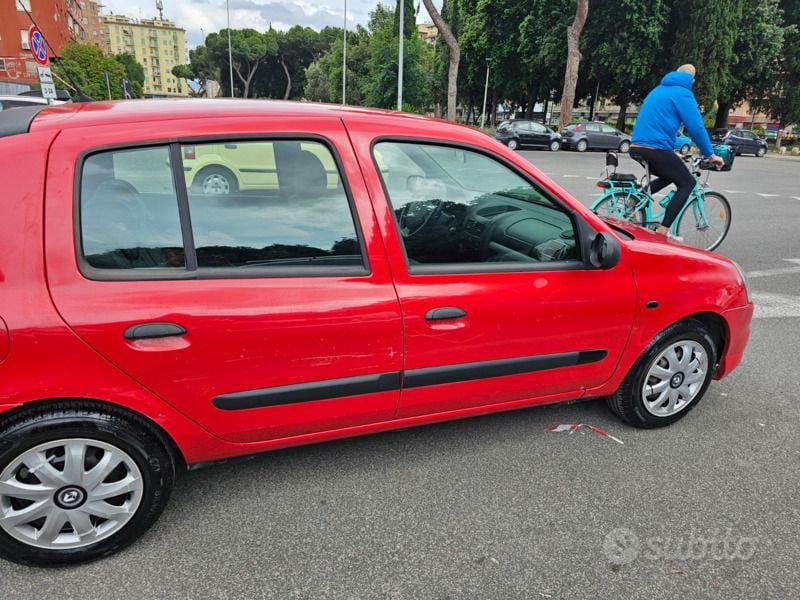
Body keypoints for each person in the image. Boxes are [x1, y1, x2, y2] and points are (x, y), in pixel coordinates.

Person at [630, 64, 724, 239]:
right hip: (655, 149)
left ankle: (636, 199)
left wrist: (672, 152)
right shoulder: (683, 93)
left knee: (669, 174)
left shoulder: (657, 90)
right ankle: (663, 231)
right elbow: (696, 127)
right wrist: (710, 154)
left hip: (636, 146)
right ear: (692, 80)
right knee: (687, 183)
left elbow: (657, 124)